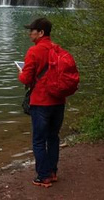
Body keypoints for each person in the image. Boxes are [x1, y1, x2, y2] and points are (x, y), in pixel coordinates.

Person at [18, 17, 65, 188]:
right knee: (53, 137)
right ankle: (52, 173)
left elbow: (26, 78)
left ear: (41, 33)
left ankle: (43, 176)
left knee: (39, 140)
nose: (30, 33)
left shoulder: (34, 51)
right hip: (59, 101)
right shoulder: (58, 49)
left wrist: (20, 72)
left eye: (32, 30)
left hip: (41, 102)